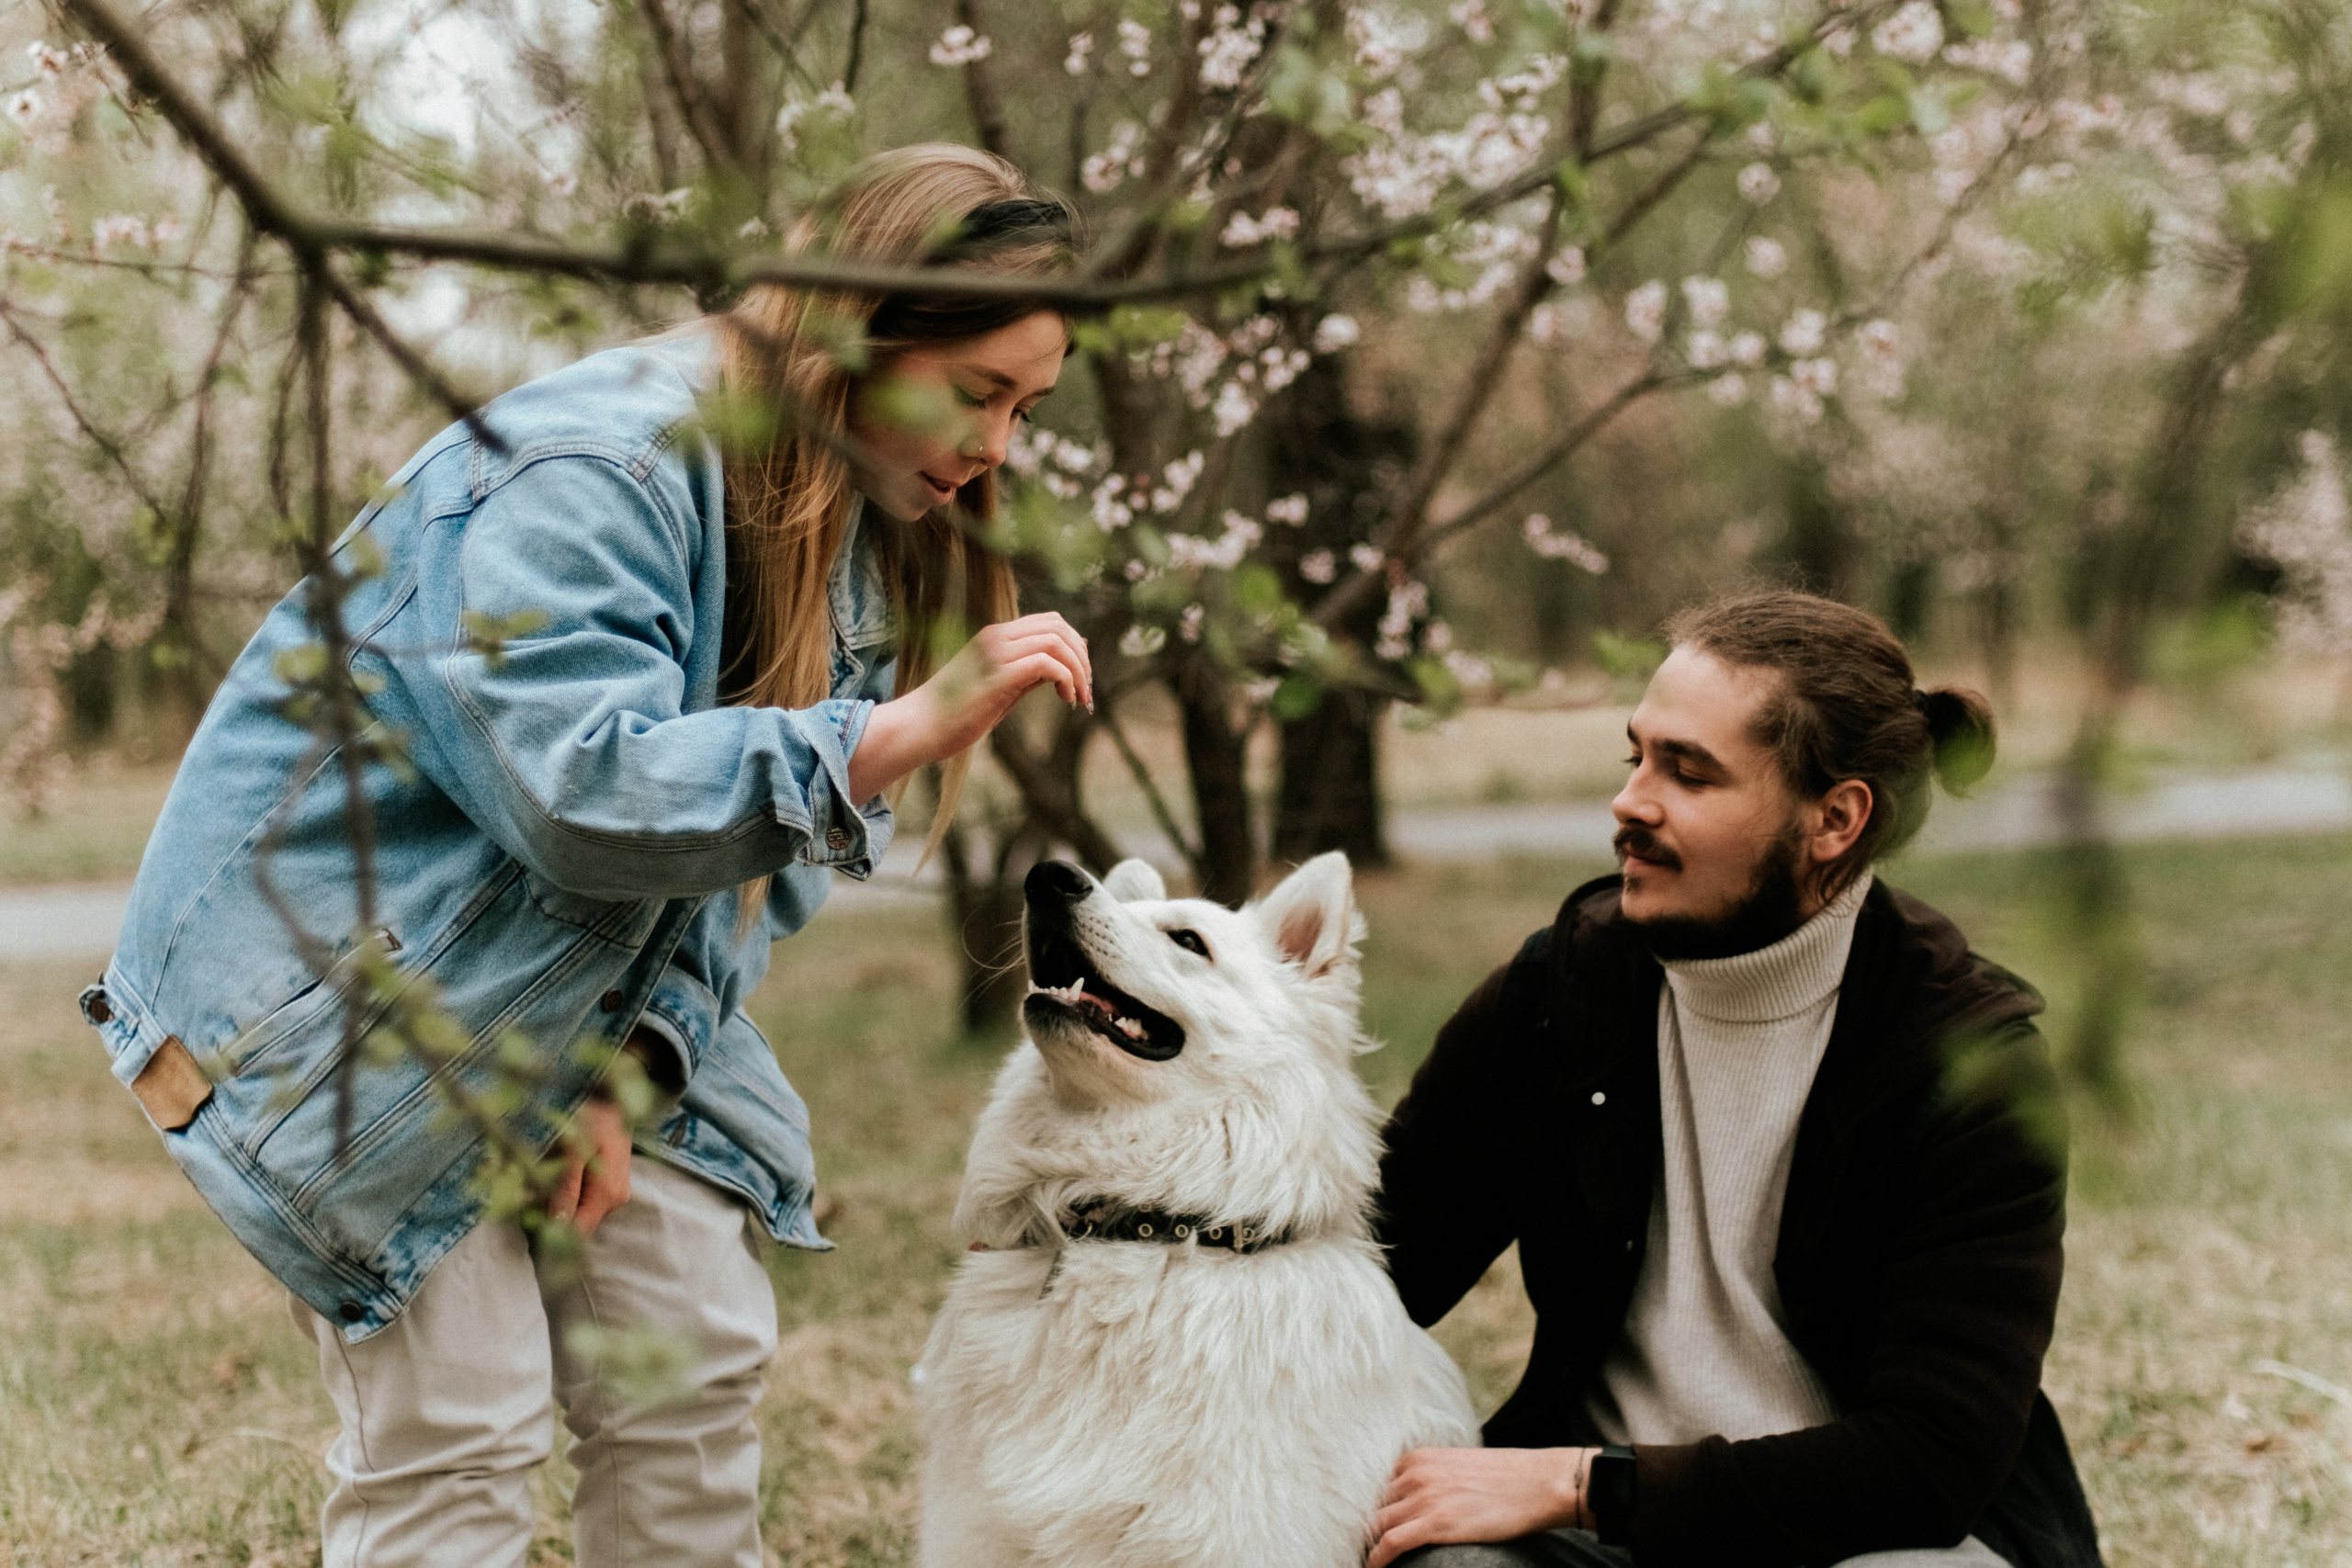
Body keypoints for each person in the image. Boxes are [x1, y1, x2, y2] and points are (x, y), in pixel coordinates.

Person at [79, 144, 1090, 1567]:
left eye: (1025, 409)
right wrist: (889, 732)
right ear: (861, 327)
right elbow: (581, 791)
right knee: (462, 1419)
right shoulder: (593, 465)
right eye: (978, 392)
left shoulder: (850, 528)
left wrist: (639, 1061)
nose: (997, 446)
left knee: (692, 1352)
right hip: (367, 992)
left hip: (589, 980)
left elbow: (756, 871)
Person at [1367, 591, 2104, 1568]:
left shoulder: (1969, 1066)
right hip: (1600, 1546)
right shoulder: (1559, 996)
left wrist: (1584, 1482)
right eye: (1635, 757)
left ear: (1835, 819)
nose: (1631, 802)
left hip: (1868, 1545)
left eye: (1689, 772)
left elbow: (1930, 1463)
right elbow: (1373, 1266)